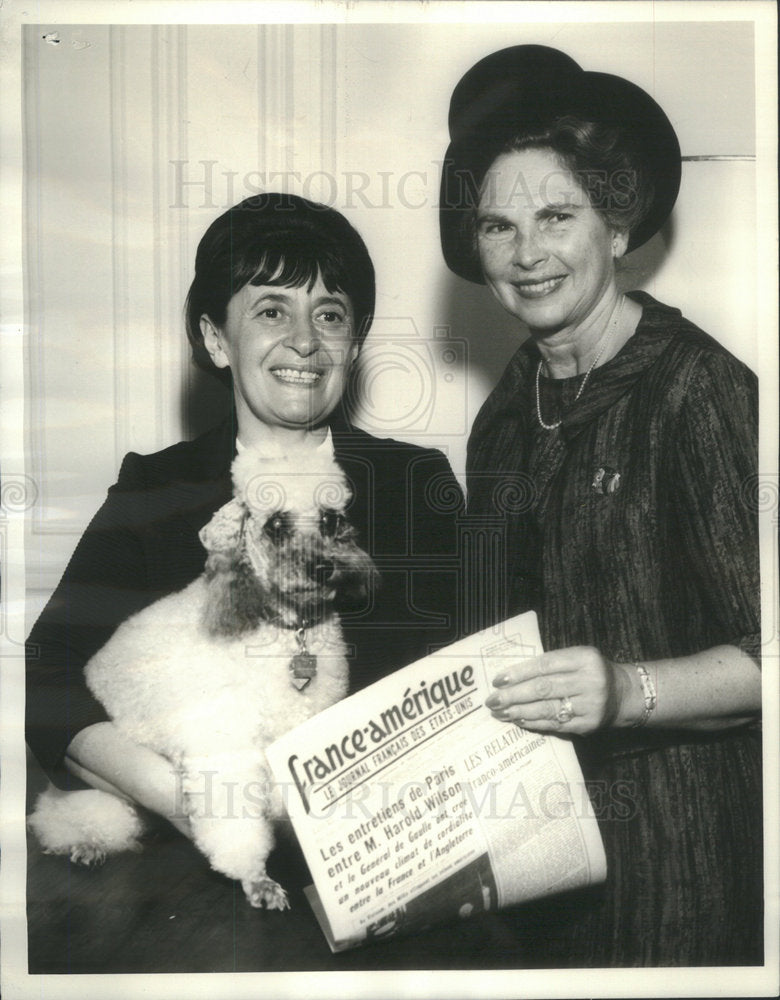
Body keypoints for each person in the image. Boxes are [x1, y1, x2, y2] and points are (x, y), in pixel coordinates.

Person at [439, 45, 762, 966]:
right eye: (498, 226)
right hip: (542, 858)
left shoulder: (699, 391)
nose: (526, 253)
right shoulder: (505, 414)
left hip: (686, 868)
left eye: (556, 216)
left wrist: (627, 689)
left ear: (617, 229)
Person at [26, 193, 462, 836]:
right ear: (216, 338)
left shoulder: (416, 484)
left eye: (331, 314)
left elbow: (476, 674)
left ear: (354, 341)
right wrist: (182, 799)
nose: (306, 341)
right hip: (198, 874)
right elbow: (45, 672)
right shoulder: (156, 488)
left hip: (393, 845)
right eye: (271, 310)